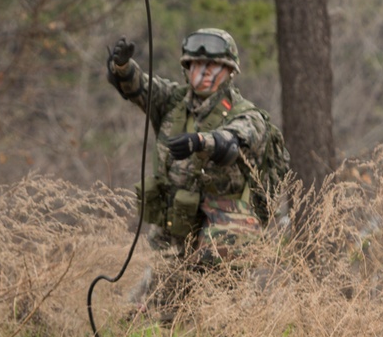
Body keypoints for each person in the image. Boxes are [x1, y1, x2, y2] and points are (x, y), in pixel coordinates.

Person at [106, 27, 274, 313]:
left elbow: (233, 140)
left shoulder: (245, 113)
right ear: (187, 68)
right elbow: (138, 86)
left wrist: (200, 141)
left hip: (221, 237)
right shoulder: (172, 101)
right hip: (175, 230)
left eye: (214, 66)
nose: (204, 71)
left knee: (214, 315)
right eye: (197, 64)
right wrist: (122, 67)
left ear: (229, 72)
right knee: (143, 314)